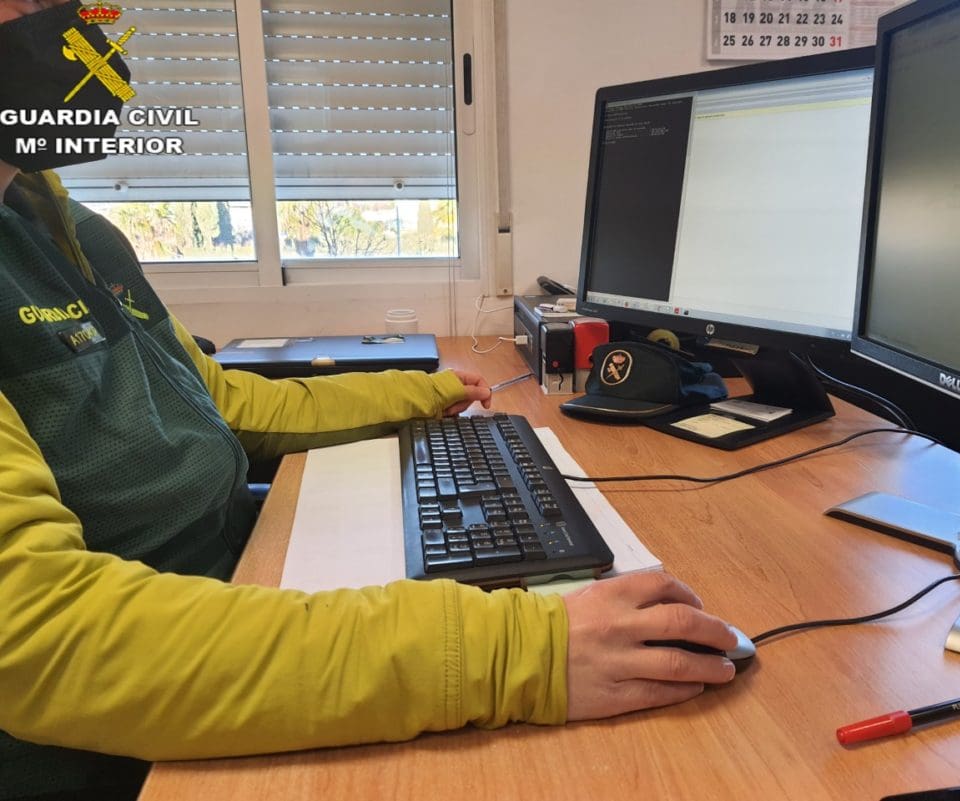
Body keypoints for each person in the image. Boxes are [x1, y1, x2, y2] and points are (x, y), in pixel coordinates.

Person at [0, 2, 739, 799]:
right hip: (116, 740)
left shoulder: (63, 224)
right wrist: (523, 653)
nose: (65, 24)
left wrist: (419, 392)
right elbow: (40, 637)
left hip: (230, 588)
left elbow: (219, 402)